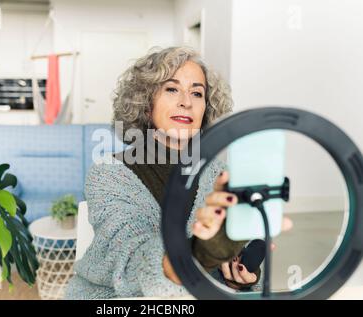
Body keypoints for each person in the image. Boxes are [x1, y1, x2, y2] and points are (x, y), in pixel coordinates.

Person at [65, 47, 286, 299]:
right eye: (172, 89)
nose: (186, 102)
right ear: (146, 104)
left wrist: (238, 276)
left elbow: (232, 251)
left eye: (197, 93)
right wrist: (202, 252)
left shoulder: (220, 174)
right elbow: (129, 254)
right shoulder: (108, 173)